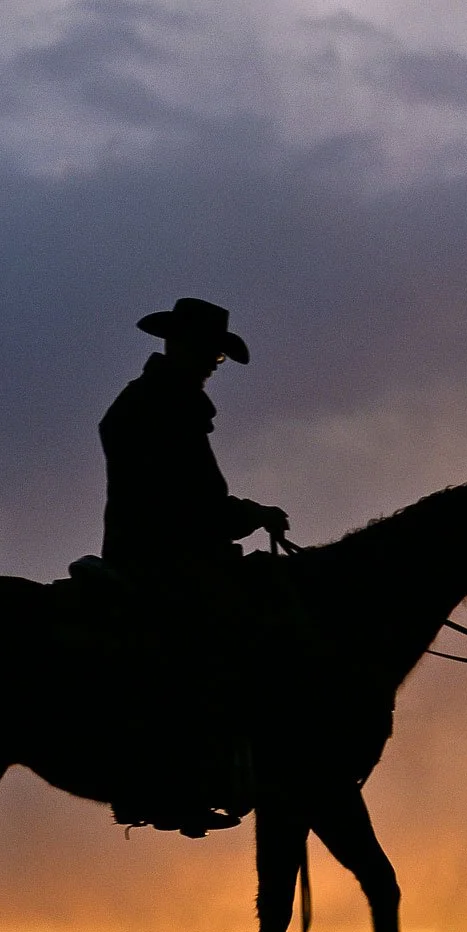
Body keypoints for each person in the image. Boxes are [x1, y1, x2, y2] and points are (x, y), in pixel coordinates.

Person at [96, 298, 288, 833]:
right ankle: (174, 783)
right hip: (162, 556)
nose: (211, 365)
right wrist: (253, 514)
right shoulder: (163, 405)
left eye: (217, 358)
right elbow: (190, 502)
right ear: (178, 346)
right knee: (221, 638)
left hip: (162, 548)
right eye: (208, 354)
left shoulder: (159, 400)